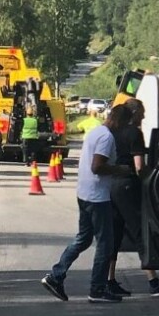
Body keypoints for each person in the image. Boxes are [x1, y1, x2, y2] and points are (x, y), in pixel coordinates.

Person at [40, 105, 134, 303]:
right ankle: (97, 289)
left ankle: (56, 276)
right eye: (125, 124)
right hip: (97, 196)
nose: (125, 129)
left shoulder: (95, 132)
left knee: (83, 239)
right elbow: (97, 166)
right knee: (105, 245)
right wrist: (120, 170)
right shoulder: (107, 137)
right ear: (119, 121)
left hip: (84, 192)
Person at [106, 99, 159, 297]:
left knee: (115, 233)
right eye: (142, 112)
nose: (144, 116)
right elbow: (139, 166)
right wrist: (151, 180)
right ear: (135, 112)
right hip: (128, 186)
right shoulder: (134, 133)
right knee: (141, 231)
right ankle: (153, 281)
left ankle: (109, 280)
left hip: (110, 185)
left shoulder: (111, 131)